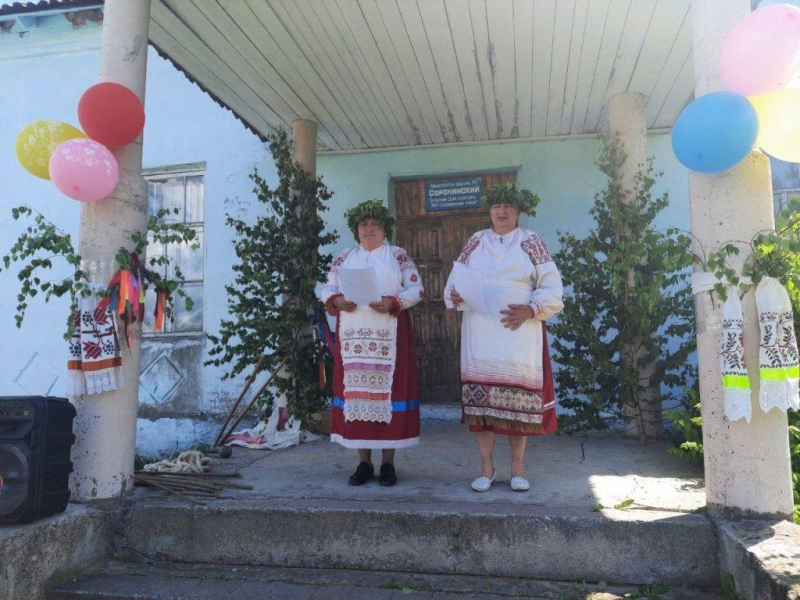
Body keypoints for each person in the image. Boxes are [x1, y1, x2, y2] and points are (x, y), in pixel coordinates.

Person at [444, 183, 563, 493]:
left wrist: (531, 309)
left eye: (508, 206)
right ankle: (487, 468)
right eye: (496, 206)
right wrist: (455, 295)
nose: (502, 211)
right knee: (482, 404)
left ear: (518, 211)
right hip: (480, 331)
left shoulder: (531, 241)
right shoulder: (476, 241)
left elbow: (552, 285)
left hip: (517, 331)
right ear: (489, 211)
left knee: (517, 403)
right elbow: (456, 280)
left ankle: (517, 468)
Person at [321, 200, 424, 487]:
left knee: (389, 394)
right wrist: (337, 301)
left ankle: (388, 463)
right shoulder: (345, 257)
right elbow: (327, 287)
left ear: (385, 229)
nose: (369, 229)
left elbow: (417, 288)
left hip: (389, 335)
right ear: (356, 230)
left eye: (375, 225)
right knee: (358, 396)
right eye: (364, 225)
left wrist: (393, 301)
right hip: (353, 336)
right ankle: (364, 463)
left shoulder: (398, 256)